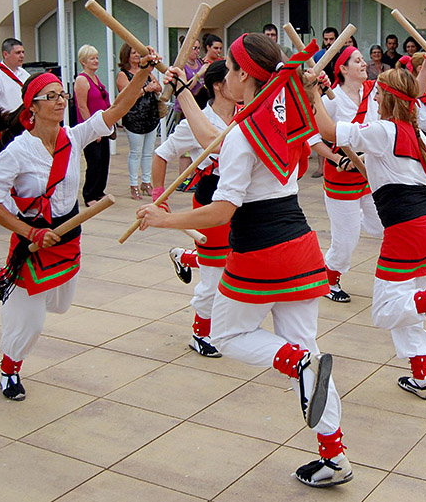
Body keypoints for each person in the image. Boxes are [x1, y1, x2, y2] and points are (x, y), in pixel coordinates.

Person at [136, 33, 351, 487]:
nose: (224, 75)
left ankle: (296, 363)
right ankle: (334, 456)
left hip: (259, 250)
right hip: (300, 244)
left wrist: (162, 219)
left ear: (244, 76)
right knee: (307, 349)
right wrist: (182, 95)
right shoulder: (286, 117)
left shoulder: (244, 133)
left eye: (230, 68)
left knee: (227, 334)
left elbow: (222, 210)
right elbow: (213, 137)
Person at [0, 50, 160, 401]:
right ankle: (9, 369)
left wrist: (143, 72)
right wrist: (30, 232)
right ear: (32, 106)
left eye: (62, 94)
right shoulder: (17, 151)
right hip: (33, 241)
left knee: (59, 304)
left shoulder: (73, 138)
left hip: (68, 237)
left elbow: (118, 108)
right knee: (29, 321)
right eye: (52, 96)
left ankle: (3, 278)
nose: (61, 100)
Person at [308, 65, 426, 401]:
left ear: (385, 97)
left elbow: (326, 129)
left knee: (386, 309)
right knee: (408, 308)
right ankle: (421, 377)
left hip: (405, 229)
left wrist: (313, 91)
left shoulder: (383, 131)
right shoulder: (419, 138)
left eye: (378, 91)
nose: (373, 94)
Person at [154, 60, 235, 358]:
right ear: (217, 85)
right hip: (210, 200)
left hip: (241, 202)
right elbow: (161, 154)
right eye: (233, 76)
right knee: (214, 279)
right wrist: (158, 195)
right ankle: (200, 333)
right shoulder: (195, 122)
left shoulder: (244, 115)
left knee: (234, 262)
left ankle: (185, 257)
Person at [311, 44, 384, 302]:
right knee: (346, 241)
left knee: (383, 225)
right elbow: (312, 138)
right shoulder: (333, 100)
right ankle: (329, 281)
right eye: (357, 60)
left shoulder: (374, 91)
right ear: (342, 69)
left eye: (363, 59)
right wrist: (337, 158)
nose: (364, 63)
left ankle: (352, 218)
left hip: (369, 175)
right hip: (341, 178)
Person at [116, 43, 162, 200]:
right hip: (134, 117)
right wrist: (145, 89)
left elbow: (159, 86)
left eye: (138, 53)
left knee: (148, 152)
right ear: (127, 55)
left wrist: (154, 87)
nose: (136, 55)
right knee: (136, 152)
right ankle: (133, 184)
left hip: (150, 115)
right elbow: (128, 95)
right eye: (133, 53)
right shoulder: (123, 75)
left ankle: (146, 182)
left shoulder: (146, 72)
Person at [73, 45, 111, 206]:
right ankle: (89, 195)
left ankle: (99, 190)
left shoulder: (96, 78)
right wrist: (93, 130)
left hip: (103, 126)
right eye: (92, 58)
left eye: (96, 57)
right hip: (91, 128)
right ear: (83, 61)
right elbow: (82, 106)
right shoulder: (82, 80)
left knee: (104, 160)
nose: (96, 61)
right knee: (94, 161)